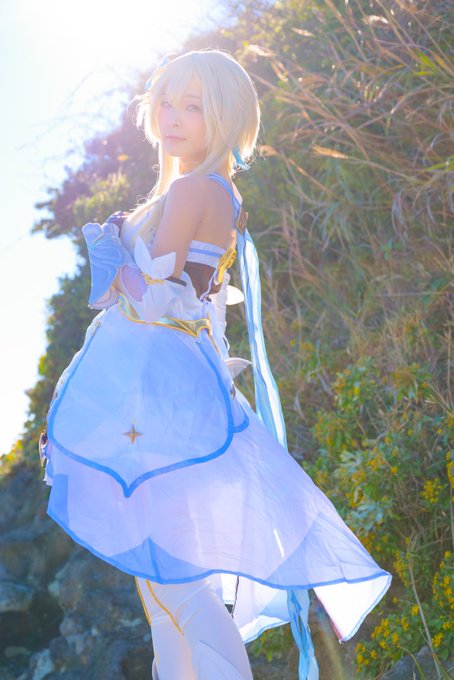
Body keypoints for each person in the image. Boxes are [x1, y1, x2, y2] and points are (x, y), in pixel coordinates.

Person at [39, 49, 391, 680]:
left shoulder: (193, 188)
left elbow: (155, 300)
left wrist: (111, 254)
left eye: (193, 106)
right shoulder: (215, 191)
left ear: (226, 114)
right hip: (171, 400)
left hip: (161, 404)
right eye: (166, 103)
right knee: (165, 596)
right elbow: (196, 311)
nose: (172, 117)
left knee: (176, 593)